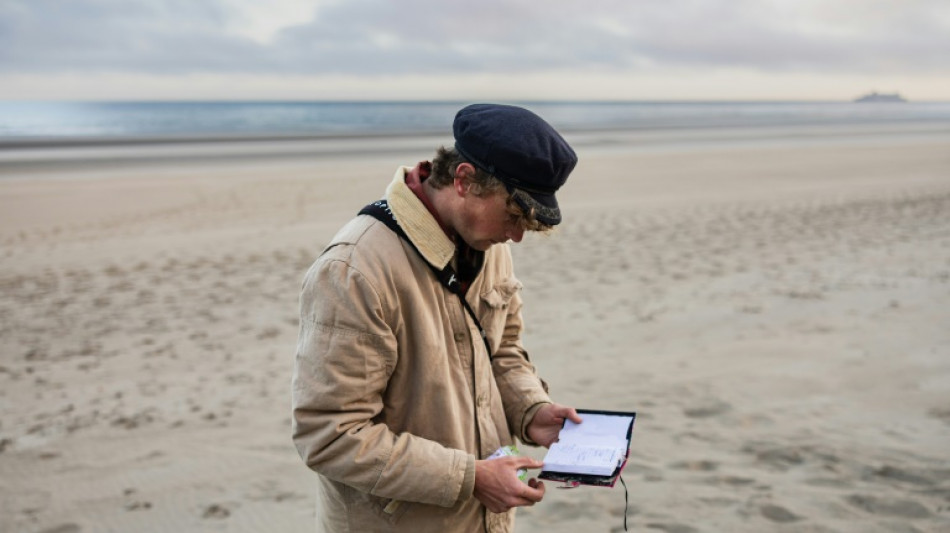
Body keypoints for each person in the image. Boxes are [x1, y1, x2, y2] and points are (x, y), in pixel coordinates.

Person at [292, 103, 582, 532]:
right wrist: (470, 478)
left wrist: (531, 410)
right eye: (515, 214)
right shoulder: (355, 270)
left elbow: (500, 351)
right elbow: (330, 435)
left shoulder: (488, 243)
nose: (518, 235)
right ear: (464, 179)